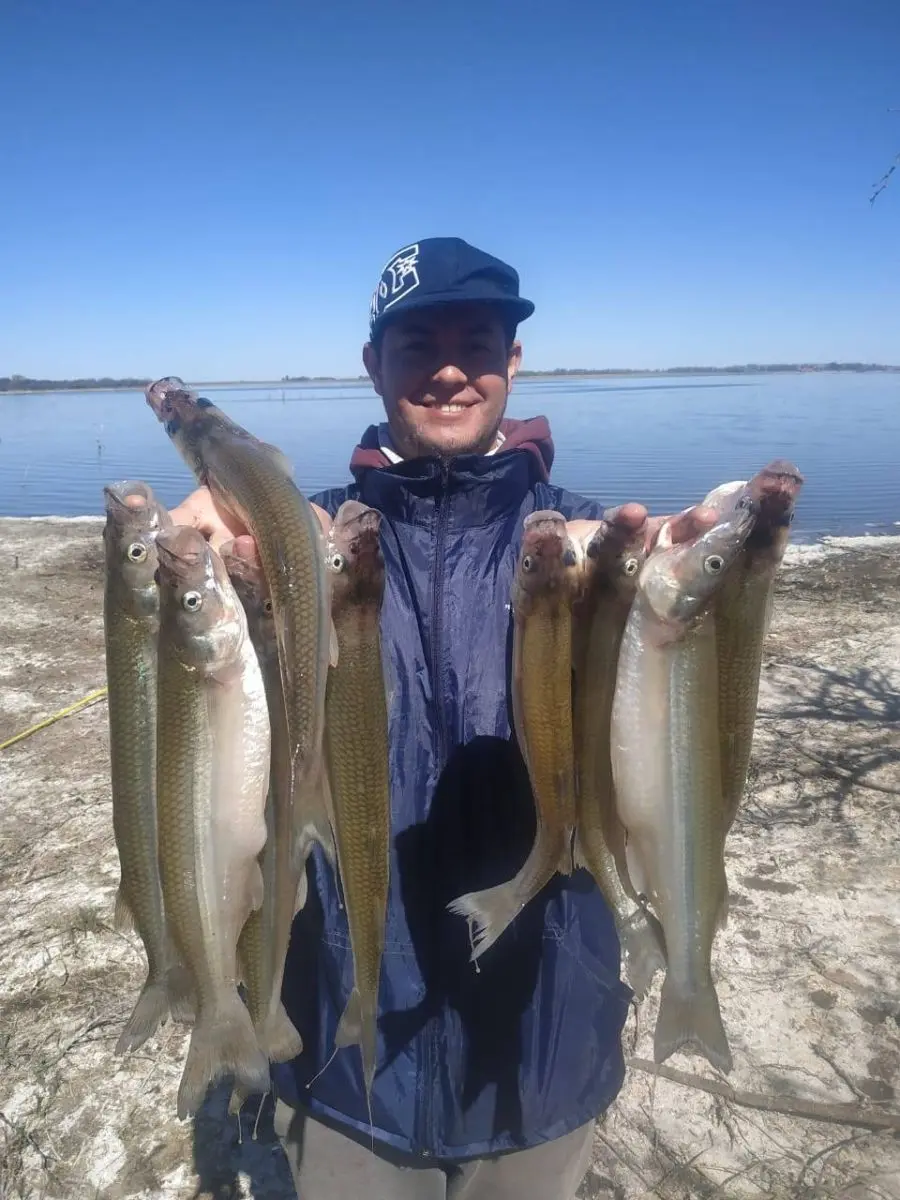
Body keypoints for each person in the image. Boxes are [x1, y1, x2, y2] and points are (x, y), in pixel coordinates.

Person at [171, 237, 714, 1199]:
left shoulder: (583, 543)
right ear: (374, 365)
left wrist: (656, 596)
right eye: (419, 343)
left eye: (479, 339)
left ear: (513, 362)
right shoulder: (305, 544)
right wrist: (212, 563)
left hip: (542, 1043)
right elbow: (211, 698)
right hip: (344, 1042)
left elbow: (658, 740)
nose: (451, 367)